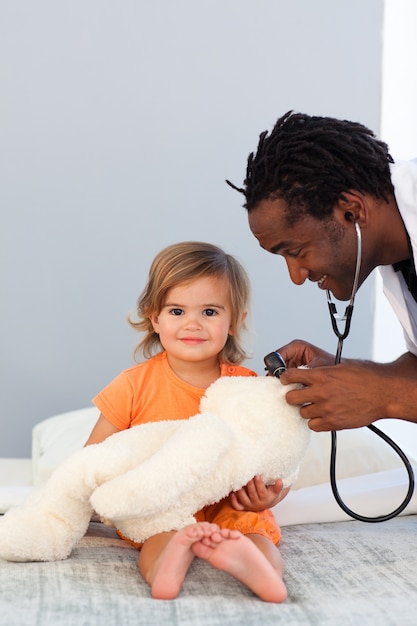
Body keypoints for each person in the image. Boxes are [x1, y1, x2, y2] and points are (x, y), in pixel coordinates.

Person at [85, 241, 288, 603]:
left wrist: (268, 493)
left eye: (210, 311)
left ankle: (261, 570)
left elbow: (272, 454)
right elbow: (93, 457)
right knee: (159, 533)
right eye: (177, 310)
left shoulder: (247, 385)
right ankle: (167, 564)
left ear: (235, 320)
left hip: (231, 500)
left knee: (256, 531)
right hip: (163, 501)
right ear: (155, 318)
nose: (192, 323)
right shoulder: (132, 384)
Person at [227, 110, 417, 433]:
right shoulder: (399, 257)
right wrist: (347, 375)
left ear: (352, 211)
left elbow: (396, 393)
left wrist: (384, 396)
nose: (296, 276)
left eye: (296, 252)